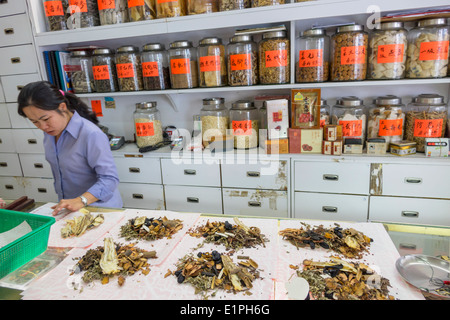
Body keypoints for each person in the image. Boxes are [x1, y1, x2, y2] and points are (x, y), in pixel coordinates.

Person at [17, 81, 123, 215]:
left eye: (46, 119)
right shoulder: (50, 133)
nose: (42, 126)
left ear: (62, 107)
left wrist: (81, 200)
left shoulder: (91, 134)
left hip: (99, 209)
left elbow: (110, 179)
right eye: (35, 122)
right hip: (71, 210)